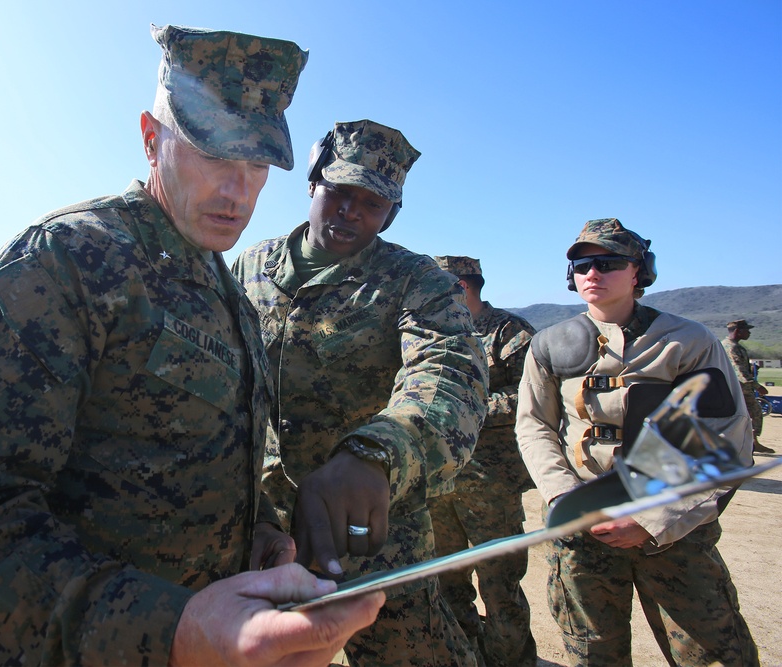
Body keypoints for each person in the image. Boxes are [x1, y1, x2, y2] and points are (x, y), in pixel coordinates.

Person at [0, 25, 387, 667]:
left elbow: (198, 456)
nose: (239, 194)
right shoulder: (67, 263)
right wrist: (169, 632)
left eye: (258, 165)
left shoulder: (228, 295)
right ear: (152, 142)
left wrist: (258, 530)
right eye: (213, 154)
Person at [231, 120, 490, 667]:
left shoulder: (415, 280)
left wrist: (378, 452)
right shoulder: (249, 267)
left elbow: (447, 372)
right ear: (312, 185)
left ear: (391, 214)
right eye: (340, 193)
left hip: (373, 530)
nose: (351, 211)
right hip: (260, 527)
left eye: (372, 203)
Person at [517, 218, 759, 666]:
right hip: (584, 530)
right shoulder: (549, 345)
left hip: (673, 533)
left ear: (638, 272)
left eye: (608, 262)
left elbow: (725, 438)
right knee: (593, 655)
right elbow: (534, 427)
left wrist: (654, 520)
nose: (593, 273)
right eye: (582, 264)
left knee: (713, 655)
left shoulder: (687, 341)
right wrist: (566, 500)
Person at [426, 256, 537, 667]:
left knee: (499, 583)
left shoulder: (509, 332)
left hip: (491, 479)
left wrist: (468, 407)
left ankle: (510, 660)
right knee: (446, 579)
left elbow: (534, 398)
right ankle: (465, 657)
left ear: (459, 285)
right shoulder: (432, 330)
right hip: (440, 477)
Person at [722, 319, 774, 454]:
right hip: (741, 388)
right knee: (755, 412)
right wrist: (756, 386)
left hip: (730, 387)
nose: (749, 333)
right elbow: (739, 370)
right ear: (738, 331)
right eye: (747, 330)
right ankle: (751, 442)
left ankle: (749, 442)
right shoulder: (733, 348)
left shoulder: (724, 345)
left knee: (741, 415)